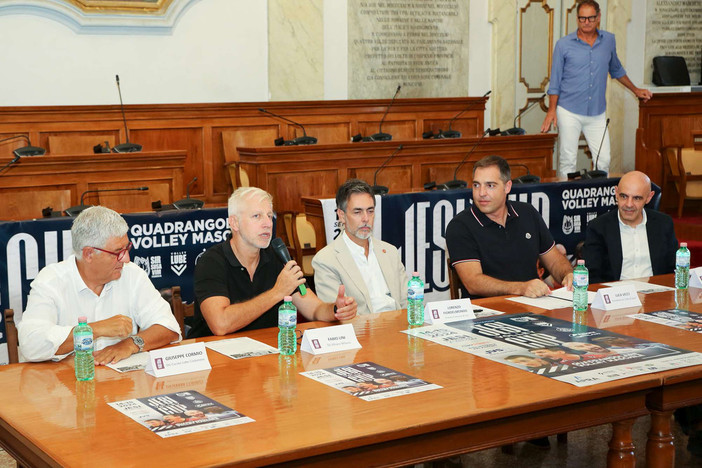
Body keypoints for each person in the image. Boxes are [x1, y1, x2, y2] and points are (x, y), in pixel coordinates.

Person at [18, 206, 181, 364]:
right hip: (66, 383)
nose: (126, 259)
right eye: (118, 252)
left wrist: (130, 344)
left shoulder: (132, 274)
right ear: (89, 254)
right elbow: (31, 344)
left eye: (127, 248)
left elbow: (169, 328)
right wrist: (94, 330)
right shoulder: (51, 281)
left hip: (120, 384)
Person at [189, 187, 357, 337]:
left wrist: (335, 309)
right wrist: (277, 292)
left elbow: (314, 309)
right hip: (216, 359)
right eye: (257, 216)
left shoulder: (277, 256)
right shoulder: (211, 262)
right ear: (234, 223)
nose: (267, 224)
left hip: (265, 354)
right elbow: (221, 324)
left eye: (269, 216)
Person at [540, 0, 652, 177]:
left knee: (604, 159)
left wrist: (636, 90)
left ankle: (598, 201)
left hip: (597, 112)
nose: (586, 22)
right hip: (569, 110)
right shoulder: (563, 45)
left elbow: (616, 70)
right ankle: (564, 201)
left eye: (590, 18)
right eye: (582, 18)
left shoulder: (608, 40)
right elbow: (555, 81)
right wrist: (551, 110)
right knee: (568, 159)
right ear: (577, 19)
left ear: (598, 17)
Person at [445, 155, 573, 299]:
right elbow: (473, 283)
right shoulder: (460, 226)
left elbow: (555, 260)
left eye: (490, 185)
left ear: (507, 187)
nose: (481, 193)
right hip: (487, 313)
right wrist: (521, 288)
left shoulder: (527, 213)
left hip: (533, 307)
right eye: (476, 185)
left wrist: (568, 274)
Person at [312, 179, 408, 315]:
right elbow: (337, 315)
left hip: (398, 327)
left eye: (370, 211)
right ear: (341, 215)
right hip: (361, 331)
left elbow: (407, 302)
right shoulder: (326, 260)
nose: (365, 218)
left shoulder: (390, 251)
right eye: (357, 212)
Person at [582, 171, 677, 283]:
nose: (629, 204)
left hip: (656, 294)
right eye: (624, 196)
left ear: (649, 197)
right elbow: (592, 276)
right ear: (616, 193)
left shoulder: (663, 224)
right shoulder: (598, 227)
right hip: (616, 295)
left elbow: (674, 270)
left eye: (637, 198)